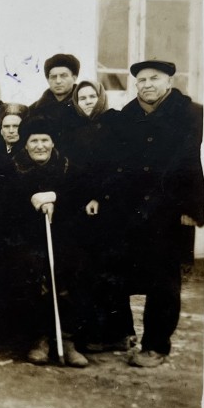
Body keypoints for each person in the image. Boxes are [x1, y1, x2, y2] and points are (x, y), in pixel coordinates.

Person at [109, 60, 204, 367]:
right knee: (120, 271)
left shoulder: (192, 115)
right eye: (142, 80)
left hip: (171, 211)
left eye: (154, 78)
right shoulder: (127, 117)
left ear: (169, 82)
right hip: (131, 210)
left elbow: (198, 163)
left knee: (164, 280)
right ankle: (120, 334)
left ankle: (156, 346)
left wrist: (192, 208)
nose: (147, 84)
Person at [3, 115, 89, 368]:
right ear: (26, 144)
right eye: (34, 140)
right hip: (25, 239)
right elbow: (4, 206)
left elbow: (78, 198)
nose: (39, 145)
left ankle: (67, 338)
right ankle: (39, 338)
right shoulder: (13, 167)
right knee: (31, 271)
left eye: (45, 140)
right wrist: (30, 202)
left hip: (63, 237)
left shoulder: (66, 166)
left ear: (52, 143)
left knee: (73, 269)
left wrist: (56, 198)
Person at [64, 81, 135, 352]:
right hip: (82, 211)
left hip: (110, 210)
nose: (88, 101)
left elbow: (119, 167)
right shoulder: (74, 128)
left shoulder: (114, 123)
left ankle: (120, 333)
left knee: (111, 271)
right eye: (82, 97)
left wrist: (99, 196)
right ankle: (92, 333)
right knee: (88, 272)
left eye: (92, 95)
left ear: (101, 97)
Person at [29, 53, 80, 124]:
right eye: (53, 77)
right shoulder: (34, 110)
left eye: (63, 76)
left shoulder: (84, 106)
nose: (58, 81)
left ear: (74, 78)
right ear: (48, 80)